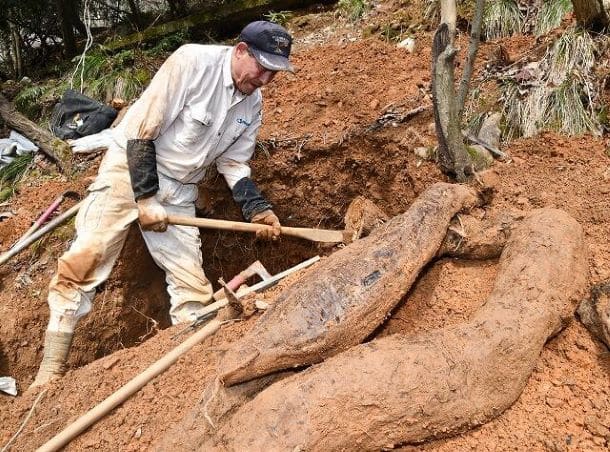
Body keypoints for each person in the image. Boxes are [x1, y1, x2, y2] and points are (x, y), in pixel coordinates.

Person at [32, 21, 294, 386]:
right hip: (130, 170)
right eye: (262, 67)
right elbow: (144, 131)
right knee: (87, 258)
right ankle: (49, 373)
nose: (265, 79)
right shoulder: (192, 63)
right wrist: (145, 198)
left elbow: (234, 163)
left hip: (180, 190)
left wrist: (257, 209)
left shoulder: (253, 103)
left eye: (274, 72)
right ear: (240, 51)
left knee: (194, 291)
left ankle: (186, 379)